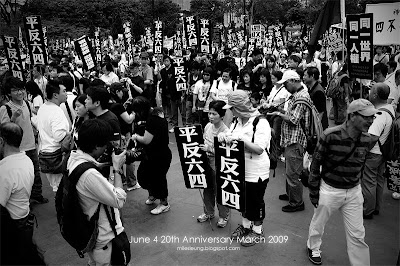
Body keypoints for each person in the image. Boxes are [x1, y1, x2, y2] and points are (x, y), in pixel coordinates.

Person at [307, 99, 377, 265]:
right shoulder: (330, 135)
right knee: (318, 224)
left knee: (358, 235)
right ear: (352, 116)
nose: (371, 121)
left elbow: (362, 165)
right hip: (329, 190)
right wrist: (314, 192)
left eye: (372, 117)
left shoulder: (367, 140)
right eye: (366, 117)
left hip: (353, 192)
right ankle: (313, 247)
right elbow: (315, 164)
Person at [67, 119, 127, 266]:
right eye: (105, 144)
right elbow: (119, 200)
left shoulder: (73, 158)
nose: (107, 148)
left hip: (90, 231)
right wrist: (117, 168)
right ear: (96, 146)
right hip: (103, 240)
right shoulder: (89, 174)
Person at [218, 90, 271, 247]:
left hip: (256, 171)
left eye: (232, 108)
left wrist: (240, 140)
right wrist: (224, 136)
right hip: (239, 169)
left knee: (255, 202)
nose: (230, 111)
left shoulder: (260, 122)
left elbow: (259, 149)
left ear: (239, 107)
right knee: (243, 201)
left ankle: (258, 231)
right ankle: (246, 226)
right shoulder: (236, 121)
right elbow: (230, 134)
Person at [0, 122, 45, 265]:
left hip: (12, 228)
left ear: (2, 141)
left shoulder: (5, 171)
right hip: (26, 220)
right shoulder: (26, 159)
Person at [0, 77, 48, 204]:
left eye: (21, 89)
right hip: (17, 149)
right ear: (9, 93)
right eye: (15, 90)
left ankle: (37, 195)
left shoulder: (26, 103)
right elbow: (4, 130)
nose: (20, 92)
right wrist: (14, 118)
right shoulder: (6, 109)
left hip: (31, 144)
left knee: (35, 173)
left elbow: (29, 120)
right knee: (22, 177)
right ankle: (25, 201)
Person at [271, 70, 312, 212]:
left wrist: (278, 113)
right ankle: (291, 194)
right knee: (290, 169)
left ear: (294, 81)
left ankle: (297, 202)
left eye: (286, 83)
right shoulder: (297, 95)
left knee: (293, 173)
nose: (285, 87)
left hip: (296, 140)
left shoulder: (302, 97)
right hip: (290, 139)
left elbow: (293, 119)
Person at [131, 97, 172, 215]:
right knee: (145, 175)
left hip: (159, 155)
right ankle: (153, 194)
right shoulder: (157, 113)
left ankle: (164, 204)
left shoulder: (152, 120)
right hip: (153, 153)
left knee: (159, 179)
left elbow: (146, 140)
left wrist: (135, 137)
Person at [361, 83, 394, 219]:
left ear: (375, 95)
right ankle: (375, 207)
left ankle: (367, 210)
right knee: (379, 181)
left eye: (371, 91)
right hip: (383, 152)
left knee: (369, 182)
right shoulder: (390, 108)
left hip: (374, 153)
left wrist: (363, 151)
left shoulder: (379, 114)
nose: (369, 93)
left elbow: (373, 137)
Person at [197, 100, 231, 227]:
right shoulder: (207, 126)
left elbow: (226, 153)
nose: (210, 116)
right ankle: (208, 212)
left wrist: (210, 149)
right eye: (209, 113)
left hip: (219, 166)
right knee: (207, 189)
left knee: (220, 191)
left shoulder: (226, 132)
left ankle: (224, 216)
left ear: (221, 116)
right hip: (207, 164)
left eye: (214, 114)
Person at [37, 79, 69, 193]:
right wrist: (69, 134)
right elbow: (59, 136)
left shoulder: (43, 108)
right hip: (56, 156)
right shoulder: (56, 111)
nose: (66, 94)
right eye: (64, 91)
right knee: (62, 189)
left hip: (44, 154)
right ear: (55, 95)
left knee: (56, 188)